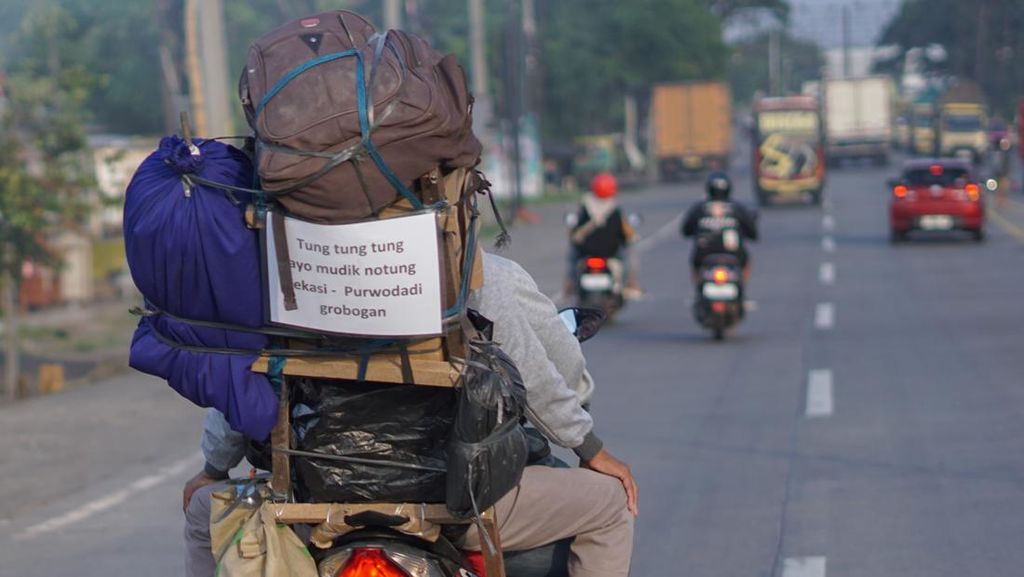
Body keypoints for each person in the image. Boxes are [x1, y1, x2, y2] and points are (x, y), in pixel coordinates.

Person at [183, 251, 638, 577]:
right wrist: (589, 448)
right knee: (609, 503)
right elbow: (542, 378)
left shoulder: (289, 281)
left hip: (311, 505)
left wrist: (212, 468)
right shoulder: (481, 274)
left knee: (205, 508)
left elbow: (241, 382)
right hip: (459, 504)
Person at [567, 172, 642, 300]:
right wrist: (632, 237)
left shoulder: (585, 206)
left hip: (586, 253)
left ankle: (569, 286)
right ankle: (631, 285)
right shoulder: (615, 210)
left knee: (571, 259)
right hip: (610, 254)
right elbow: (626, 233)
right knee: (631, 256)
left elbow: (574, 230)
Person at [681, 171, 758, 286]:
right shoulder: (737, 208)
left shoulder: (699, 208)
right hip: (734, 254)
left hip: (703, 254)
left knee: (695, 265)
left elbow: (686, 230)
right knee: (746, 262)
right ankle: (742, 289)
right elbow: (752, 232)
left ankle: (698, 289)